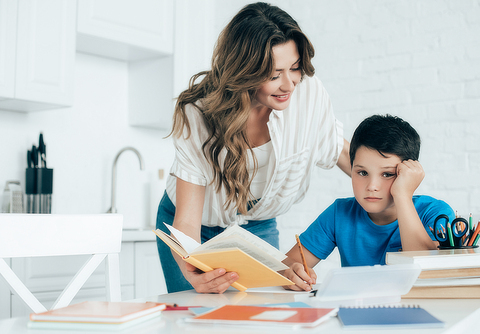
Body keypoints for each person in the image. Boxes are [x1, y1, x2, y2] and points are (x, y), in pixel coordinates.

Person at [156, 2, 351, 294]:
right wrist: (191, 267)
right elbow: (187, 219)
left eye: (295, 68)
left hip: (257, 227)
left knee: (262, 311)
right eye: (274, 75)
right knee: (196, 315)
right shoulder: (198, 112)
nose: (289, 84)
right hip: (193, 229)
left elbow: (344, 154)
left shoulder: (309, 94)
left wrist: (396, 189)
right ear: (245, 71)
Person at [281, 114, 455, 291]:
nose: (372, 186)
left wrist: (402, 195)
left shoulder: (435, 212)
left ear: (408, 174)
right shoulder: (339, 214)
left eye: (387, 174)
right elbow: (284, 265)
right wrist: (290, 271)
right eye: (362, 173)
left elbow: (425, 272)